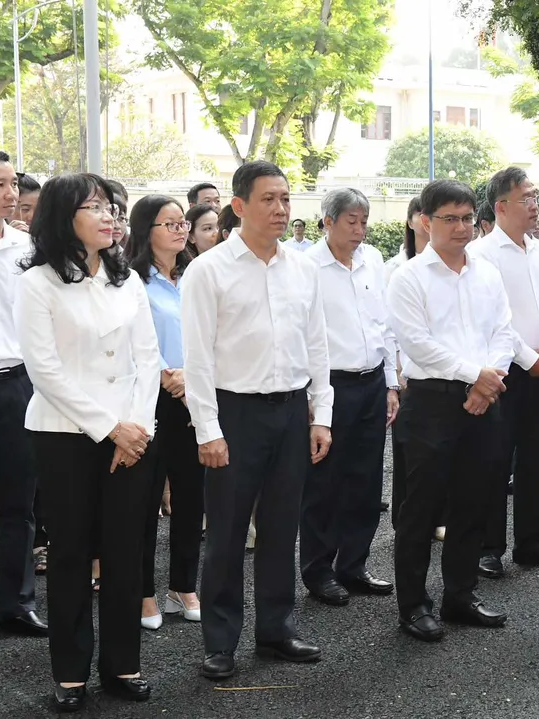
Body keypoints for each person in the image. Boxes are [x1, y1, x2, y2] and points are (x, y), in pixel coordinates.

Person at [182, 161, 334, 680]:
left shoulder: (302, 268)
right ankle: (220, 641)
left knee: (280, 527)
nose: (280, 208)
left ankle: (276, 629)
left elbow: (317, 344)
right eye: (268, 199)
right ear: (240, 205)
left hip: (292, 412)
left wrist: (322, 414)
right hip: (234, 413)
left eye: (286, 199)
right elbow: (197, 357)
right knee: (225, 533)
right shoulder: (209, 270)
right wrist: (208, 429)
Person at [16, 172, 161, 710]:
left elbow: (148, 358)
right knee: (73, 554)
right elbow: (46, 371)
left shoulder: (128, 279)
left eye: (112, 207)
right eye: (96, 207)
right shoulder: (38, 283)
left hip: (134, 436)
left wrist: (137, 427)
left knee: (127, 555)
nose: (110, 216)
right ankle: (70, 673)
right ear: (63, 216)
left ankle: (123, 666)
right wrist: (109, 427)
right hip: (66, 436)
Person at [386, 179, 514, 642]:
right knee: (420, 509)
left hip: (485, 399)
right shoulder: (408, 277)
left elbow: (504, 331)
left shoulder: (486, 273)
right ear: (425, 221)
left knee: (473, 502)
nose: (461, 228)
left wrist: (488, 380)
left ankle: (460, 595)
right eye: (449, 219)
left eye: (466, 218)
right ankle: (413, 605)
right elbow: (416, 342)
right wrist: (473, 375)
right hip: (432, 402)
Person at [470, 166, 539, 579]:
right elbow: (495, 321)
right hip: (505, 373)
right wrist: (530, 359)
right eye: (527, 198)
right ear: (502, 206)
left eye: (535, 197)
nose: (535, 205)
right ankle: (488, 547)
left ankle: (532, 542)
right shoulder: (482, 254)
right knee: (495, 462)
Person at [300, 188, 397, 606]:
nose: (359, 230)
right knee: (325, 482)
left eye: (363, 221)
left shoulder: (372, 260)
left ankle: (353, 564)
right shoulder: (305, 267)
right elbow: (300, 336)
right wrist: (310, 397)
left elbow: (384, 324)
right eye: (350, 221)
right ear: (328, 222)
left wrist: (391, 382)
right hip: (329, 385)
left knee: (366, 478)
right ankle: (318, 570)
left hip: (372, 381)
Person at [126, 196, 205, 631]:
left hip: (194, 396)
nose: (181, 230)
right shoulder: (131, 279)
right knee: (145, 497)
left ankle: (183, 585)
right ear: (146, 229)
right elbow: (132, 338)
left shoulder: (196, 275)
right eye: (170, 223)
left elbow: (212, 333)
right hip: (149, 398)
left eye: (183, 223)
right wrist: (163, 375)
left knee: (192, 495)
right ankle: (142, 592)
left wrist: (191, 377)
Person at [0, 150, 45, 640]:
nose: (12, 194)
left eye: (12, 184)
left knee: (18, 501)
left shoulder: (27, 249)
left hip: (16, 384)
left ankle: (17, 603)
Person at [384, 197, 437, 534]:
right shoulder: (395, 268)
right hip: (407, 372)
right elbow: (388, 327)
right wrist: (397, 370)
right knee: (408, 454)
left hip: (440, 371)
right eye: (420, 215)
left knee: (438, 453)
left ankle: (436, 518)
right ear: (412, 221)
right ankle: (406, 519)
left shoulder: (452, 265)